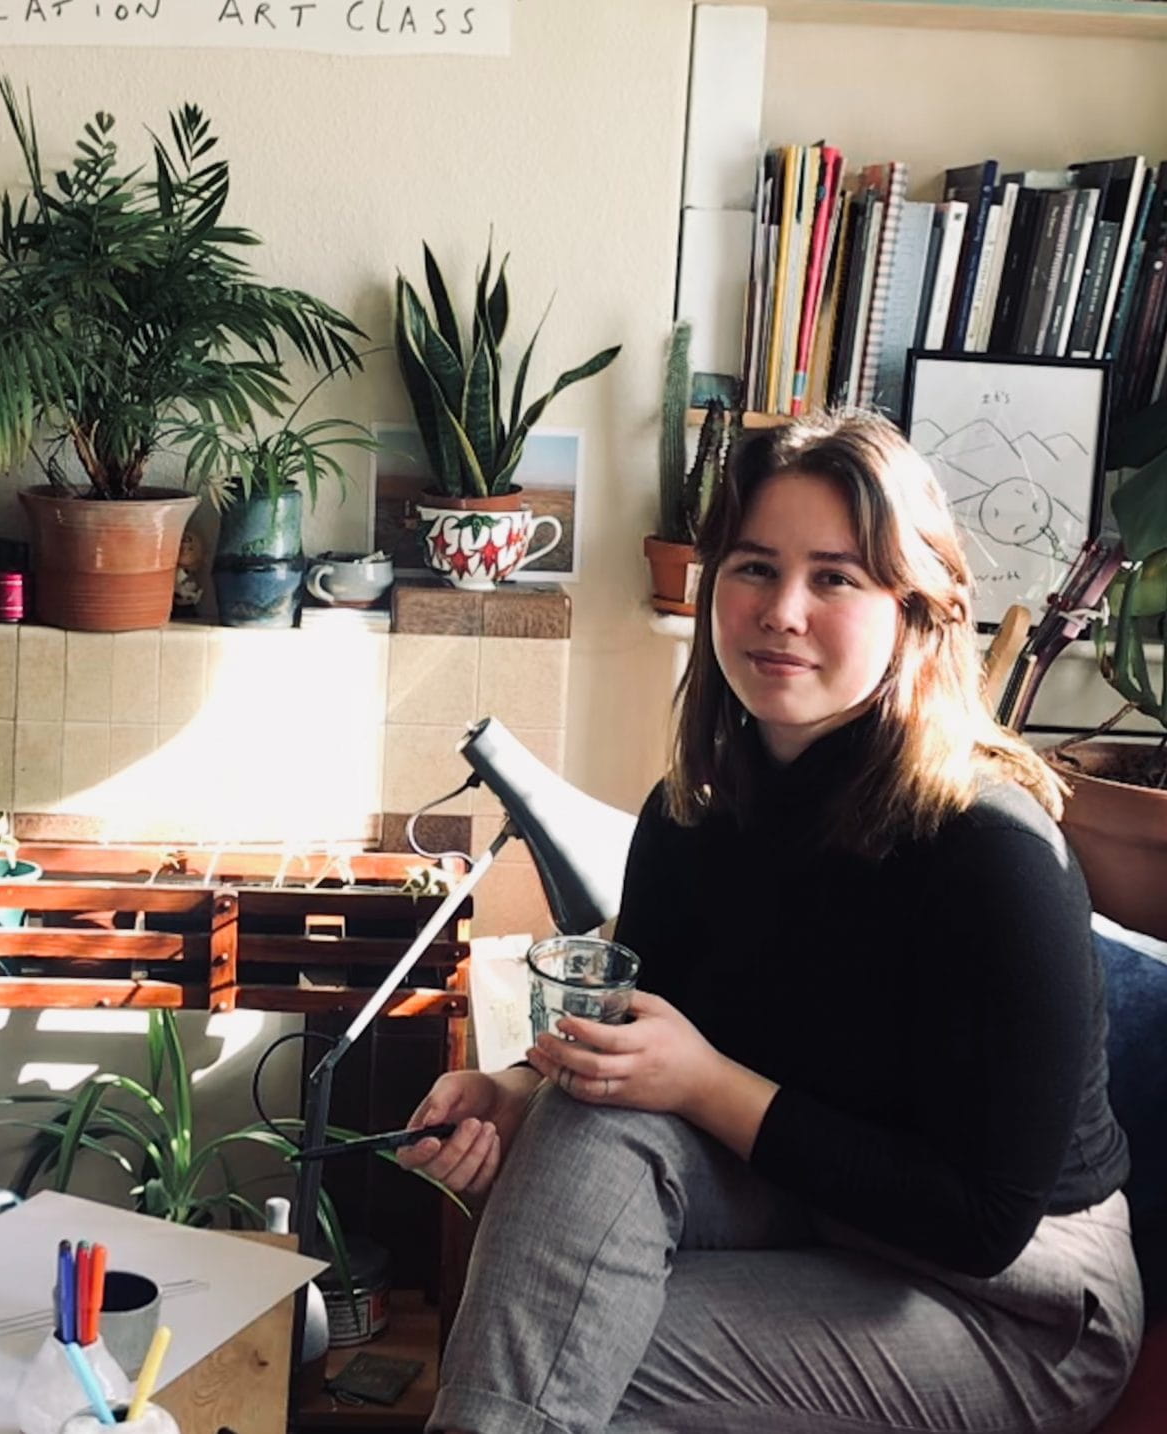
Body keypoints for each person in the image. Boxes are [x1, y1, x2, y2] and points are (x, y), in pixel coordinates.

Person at [399, 409, 1142, 1434]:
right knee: (586, 1125)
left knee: (568, 1361)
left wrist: (701, 1081)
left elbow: (980, 1220)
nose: (779, 610)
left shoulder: (989, 851)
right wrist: (513, 1090)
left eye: (833, 577)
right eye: (752, 567)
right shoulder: (693, 812)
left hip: (1019, 1300)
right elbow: (640, 1037)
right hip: (817, 1205)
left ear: (912, 607)